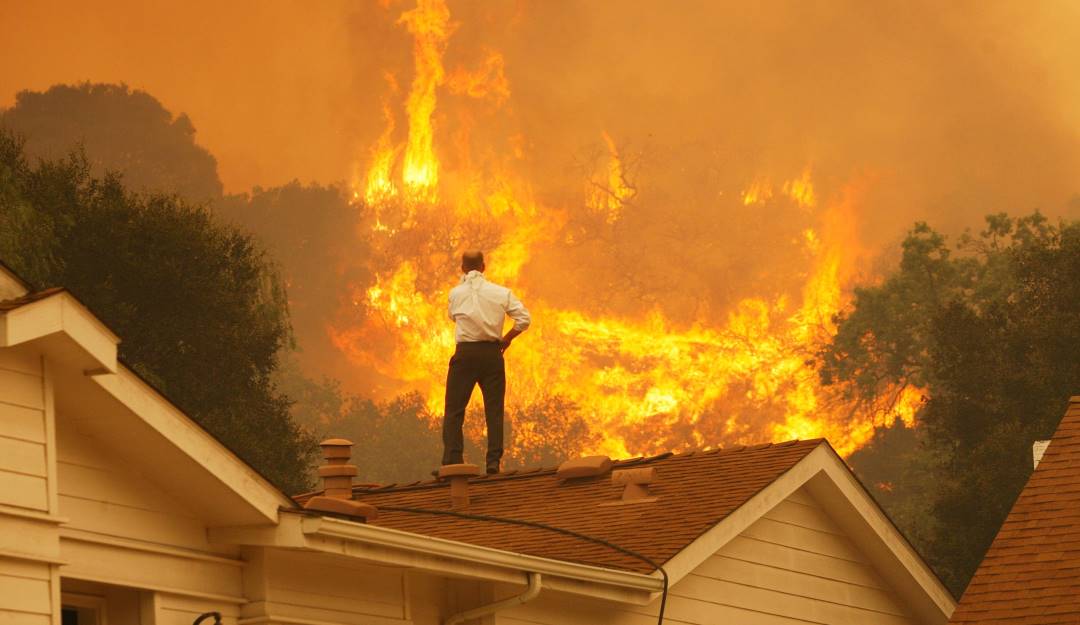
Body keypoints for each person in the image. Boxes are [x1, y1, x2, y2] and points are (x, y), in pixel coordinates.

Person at [442, 250, 531, 474]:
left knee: (454, 410)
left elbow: (453, 316)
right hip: (492, 354)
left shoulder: (455, 293)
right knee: (494, 410)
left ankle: (453, 461)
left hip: (465, 354)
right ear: (484, 266)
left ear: (463, 268)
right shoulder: (501, 293)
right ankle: (493, 462)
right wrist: (507, 339)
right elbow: (524, 319)